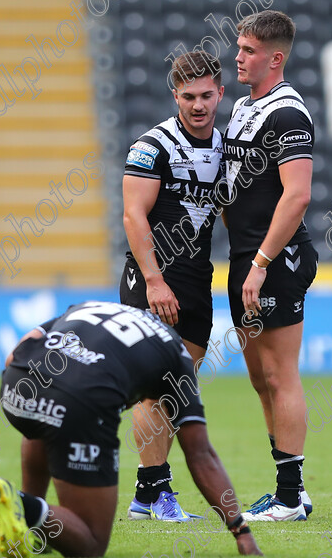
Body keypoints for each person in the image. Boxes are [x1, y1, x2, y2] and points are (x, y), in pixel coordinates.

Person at [0, 301, 262, 557]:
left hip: (17, 385)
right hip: (79, 400)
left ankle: (32, 530)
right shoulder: (177, 357)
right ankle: (24, 506)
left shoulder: (90, 306)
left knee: (46, 416)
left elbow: (19, 349)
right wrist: (241, 530)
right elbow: (200, 454)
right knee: (92, 542)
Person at [120, 50, 225, 520]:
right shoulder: (153, 145)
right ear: (174, 96)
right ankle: (157, 493)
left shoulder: (227, 146)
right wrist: (154, 281)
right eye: (188, 96)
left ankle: (147, 497)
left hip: (196, 281)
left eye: (206, 95)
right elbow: (133, 214)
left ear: (220, 93)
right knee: (152, 389)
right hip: (154, 279)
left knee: (176, 390)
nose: (198, 104)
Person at [221, 10, 318, 521]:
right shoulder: (242, 108)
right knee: (260, 378)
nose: (237, 57)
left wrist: (261, 263)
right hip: (245, 258)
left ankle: (290, 495)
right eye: (239, 48)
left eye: (248, 50)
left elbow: (297, 196)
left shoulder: (288, 114)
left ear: (275, 58)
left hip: (274, 260)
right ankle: (286, 486)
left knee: (281, 375)